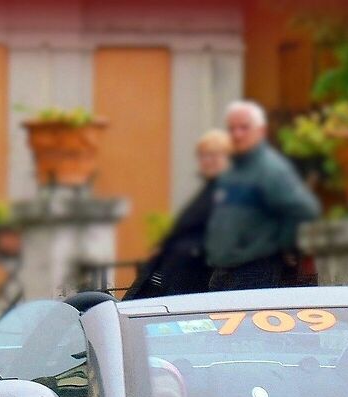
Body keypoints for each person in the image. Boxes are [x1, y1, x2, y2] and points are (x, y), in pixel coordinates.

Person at [204, 101, 320, 292]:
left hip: (253, 272)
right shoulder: (234, 168)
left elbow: (304, 208)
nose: (237, 134)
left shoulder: (269, 168)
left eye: (244, 128)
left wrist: (284, 243)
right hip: (225, 271)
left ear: (261, 131)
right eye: (232, 128)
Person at [128, 129, 230, 299]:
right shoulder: (210, 188)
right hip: (166, 277)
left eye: (213, 155)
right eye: (203, 155)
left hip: (189, 284)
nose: (207, 161)